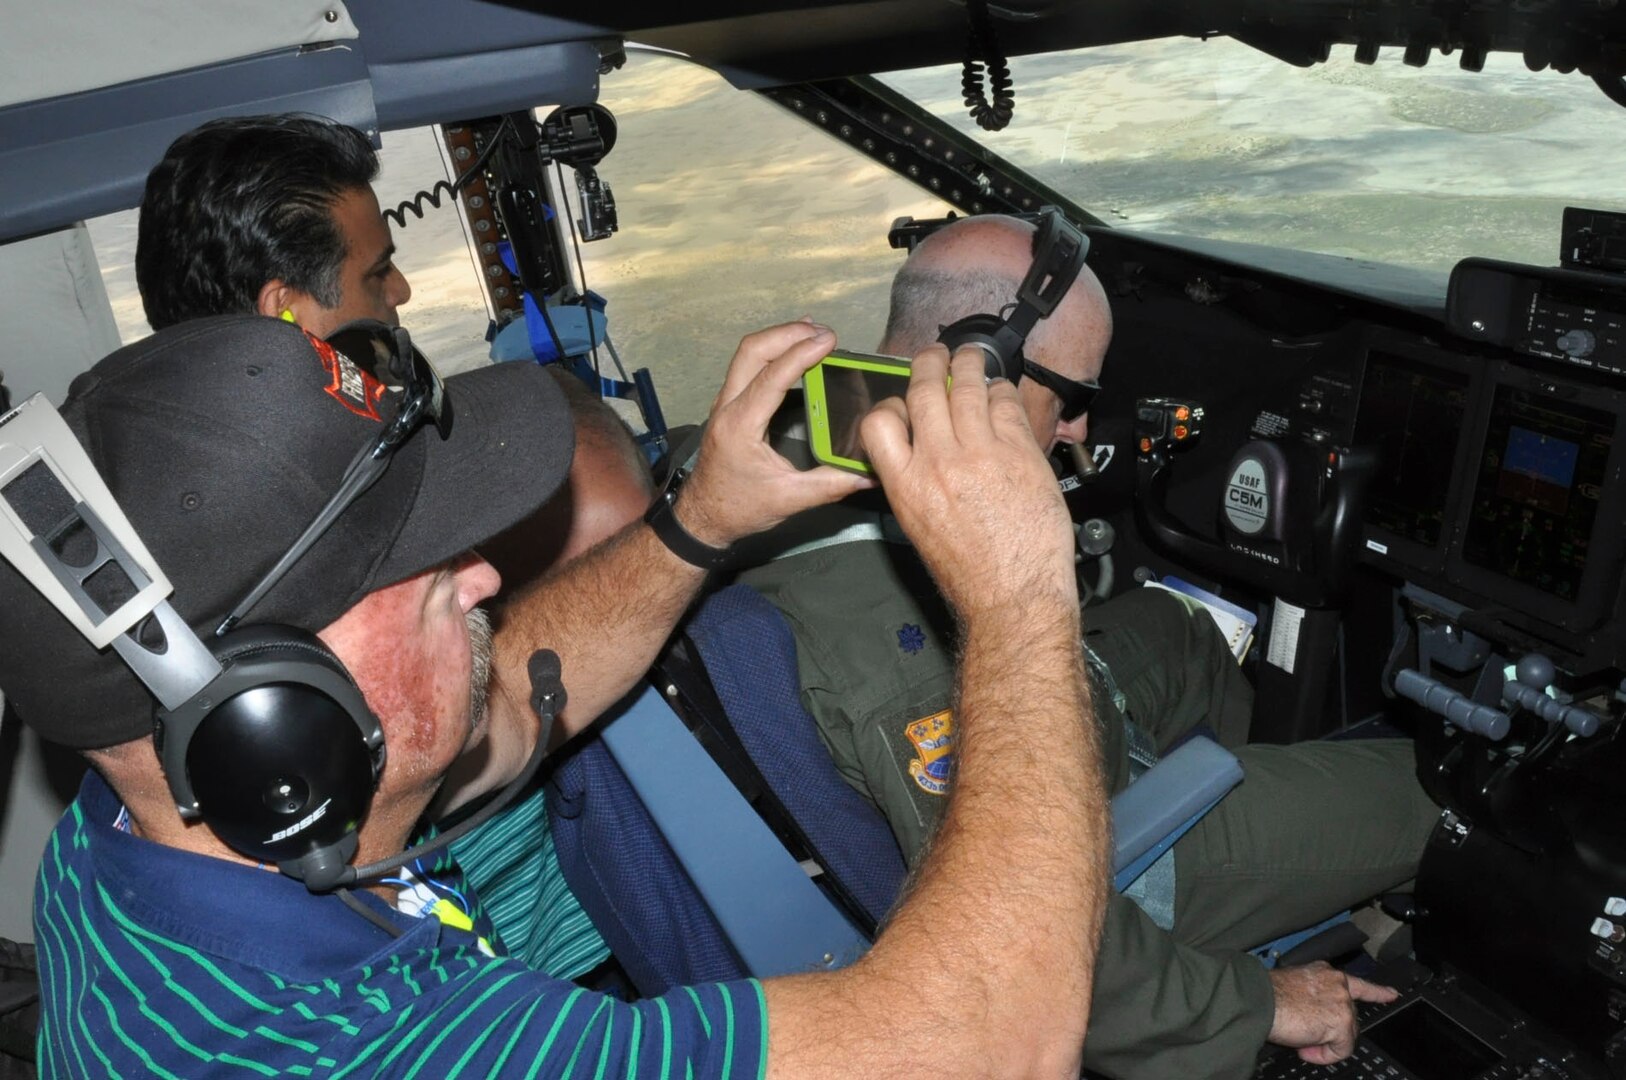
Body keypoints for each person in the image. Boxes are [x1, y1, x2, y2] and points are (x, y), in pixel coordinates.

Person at [0, 314, 1109, 1076]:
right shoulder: (345, 1048)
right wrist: (1018, 598)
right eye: (420, 567)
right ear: (267, 710)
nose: (482, 573)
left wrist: (699, 522)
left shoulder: (129, 831)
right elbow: (992, 1046)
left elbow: (515, 687)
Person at [734, 214, 1443, 1079]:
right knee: (1429, 795)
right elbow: (1020, 944)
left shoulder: (773, 443)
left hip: (1021, 723)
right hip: (1067, 865)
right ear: (980, 361)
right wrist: (1262, 1005)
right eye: (1069, 397)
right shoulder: (892, 654)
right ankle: (1225, 873)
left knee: (1180, 629)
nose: (1075, 430)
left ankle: (1276, 851)